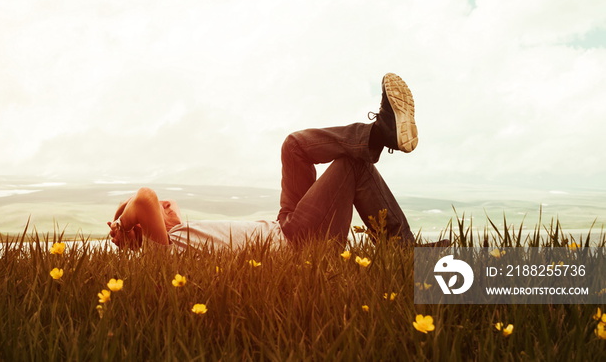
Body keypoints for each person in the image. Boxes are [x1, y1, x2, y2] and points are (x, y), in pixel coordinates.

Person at [108, 73, 449, 250]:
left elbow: (153, 203)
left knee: (295, 146)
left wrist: (153, 220)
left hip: (284, 225)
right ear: (145, 229)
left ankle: (379, 136)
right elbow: (145, 197)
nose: (169, 204)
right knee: (351, 164)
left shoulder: (183, 237)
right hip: (294, 244)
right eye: (161, 212)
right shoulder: (166, 255)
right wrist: (122, 224)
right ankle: (405, 252)